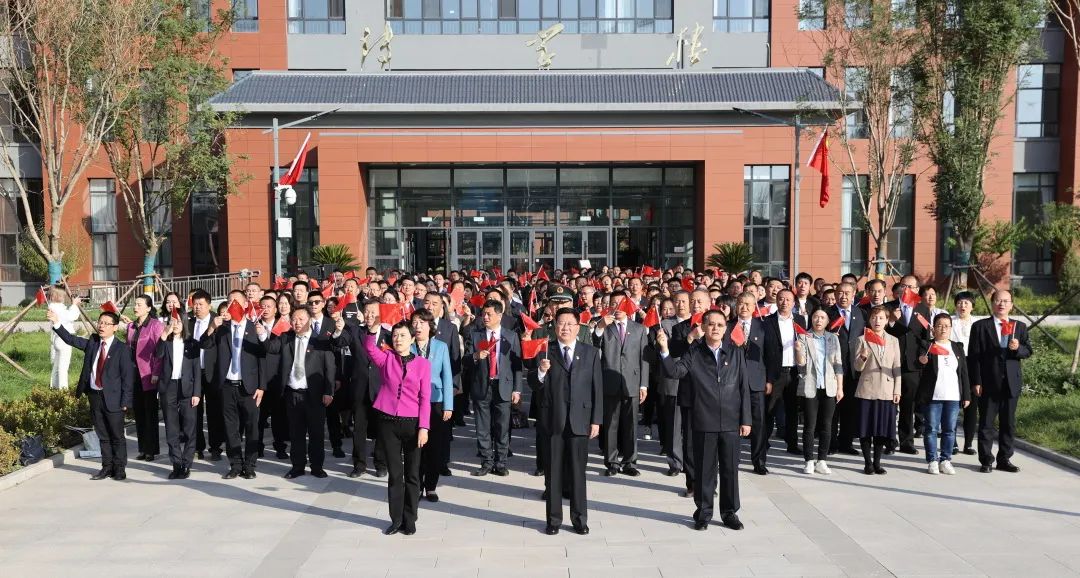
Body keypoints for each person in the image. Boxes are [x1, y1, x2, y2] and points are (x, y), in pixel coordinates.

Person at [656, 310, 751, 531]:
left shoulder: (735, 353)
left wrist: (746, 419)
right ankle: (703, 513)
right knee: (704, 471)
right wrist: (664, 350)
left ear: (725, 329)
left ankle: (729, 513)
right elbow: (674, 372)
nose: (715, 328)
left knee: (730, 470)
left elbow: (743, 387)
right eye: (711, 324)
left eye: (720, 325)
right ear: (704, 327)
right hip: (704, 419)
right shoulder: (695, 352)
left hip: (730, 421)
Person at [530, 308, 603, 536]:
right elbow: (533, 383)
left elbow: (597, 389)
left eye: (570, 324)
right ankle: (554, 520)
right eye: (561, 323)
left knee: (578, 473)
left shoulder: (590, 353)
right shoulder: (545, 350)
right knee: (553, 473)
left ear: (578, 327)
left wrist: (596, 420)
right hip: (553, 421)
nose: (565, 328)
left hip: (580, 420)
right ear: (555, 326)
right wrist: (541, 372)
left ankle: (579, 519)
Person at [361, 317, 431, 536]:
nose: (398, 339)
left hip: (412, 424)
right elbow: (369, 348)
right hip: (388, 421)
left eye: (403, 335)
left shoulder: (423, 364)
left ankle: (410, 518)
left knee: (412, 474)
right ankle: (396, 519)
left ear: (412, 339)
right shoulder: (387, 359)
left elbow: (425, 398)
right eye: (395, 335)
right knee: (395, 473)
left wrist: (424, 427)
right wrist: (373, 328)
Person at [48, 308, 135, 480]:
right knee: (102, 435)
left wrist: (126, 401)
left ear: (115, 327)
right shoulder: (93, 343)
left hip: (114, 399)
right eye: (100, 322)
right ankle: (106, 467)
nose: (101, 326)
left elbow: (128, 378)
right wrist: (56, 322)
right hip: (95, 396)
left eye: (106, 324)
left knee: (116, 436)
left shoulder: (122, 349)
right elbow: (70, 339)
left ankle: (119, 468)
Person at [200, 289, 266, 479]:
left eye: (236, 301)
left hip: (250, 387)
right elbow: (204, 344)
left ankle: (250, 465)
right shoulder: (222, 328)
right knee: (231, 428)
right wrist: (212, 327)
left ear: (245, 304)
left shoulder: (255, 327)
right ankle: (235, 465)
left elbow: (262, 358)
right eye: (229, 301)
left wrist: (262, 386)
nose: (232, 304)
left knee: (252, 427)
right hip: (227, 386)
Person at [263, 305, 336, 478]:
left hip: (315, 394)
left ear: (309, 320)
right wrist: (261, 335)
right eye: (294, 319)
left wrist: (329, 391)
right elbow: (270, 348)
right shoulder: (286, 338)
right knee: (296, 433)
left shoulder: (320, 341)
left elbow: (330, 368)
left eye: (301, 319)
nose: (297, 323)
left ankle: (317, 466)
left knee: (316, 433)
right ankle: (297, 466)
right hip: (292, 393)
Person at [968, 290, 1031, 473]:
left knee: (1008, 423)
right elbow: (974, 356)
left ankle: (1004, 459)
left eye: (1005, 301)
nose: (1001, 304)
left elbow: (1028, 350)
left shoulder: (1019, 326)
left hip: (1011, 383)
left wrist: (1017, 348)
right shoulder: (980, 326)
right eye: (998, 300)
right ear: (992, 303)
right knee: (986, 423)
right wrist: (976, 381)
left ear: (1011, 305)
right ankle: (986, 460)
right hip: (988, 382)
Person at [593, 292, 649, 477]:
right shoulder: (604, 327)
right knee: (611, 425)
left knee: (631, 424)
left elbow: (644, 359)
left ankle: (630, 462)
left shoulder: (639, 329)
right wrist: (600, 327)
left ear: (628, 305)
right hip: (609, 382)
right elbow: (594, 346)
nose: (616, 307)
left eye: (620, 303)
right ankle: (612, 462)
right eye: (613, 303)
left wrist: (643, 384)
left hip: (632, 382)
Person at [466, 299, 523, 477]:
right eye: (484, 314)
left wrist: (517, 389)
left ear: (499, 315)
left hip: (503, 385)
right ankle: (486, 462)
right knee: (482, 428)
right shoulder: (476, 335)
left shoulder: (510, 336)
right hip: (482, 386)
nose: (485, 317)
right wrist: (476, 356)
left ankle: (501, 463)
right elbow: (465, 360)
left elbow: (517, 365)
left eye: (489, 314)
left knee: (502, 427)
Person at [335, 299, 389, 478]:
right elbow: (340, 342)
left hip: (382, 389)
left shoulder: (389, 335)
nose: (369, 315)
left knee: (382, 429)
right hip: (359, 388)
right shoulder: (355, 331)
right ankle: (359, 465)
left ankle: (381, 463)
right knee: (359, 429)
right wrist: (338, 330)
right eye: (367, 311)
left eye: (373, 312)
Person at [915, 314, 971, 475]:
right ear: (933, 328)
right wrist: (921, 361)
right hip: (933, 395)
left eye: (946, 325)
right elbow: (917, 364)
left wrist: (966, 395)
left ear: (951, 328)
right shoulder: (927, 345)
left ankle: (945, 460)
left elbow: (964, 373)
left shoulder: (957, 347)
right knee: (931, 429)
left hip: (953, 395)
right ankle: (932, 460)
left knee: (950, 430)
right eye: (939, 325)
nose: (943, 329)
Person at [410, 309, 454, 502]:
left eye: (422, 322)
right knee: (415, 446)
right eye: (415, 322)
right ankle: (416, 485)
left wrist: (448, 405)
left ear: (430, 326)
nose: (418, 326)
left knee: (434, 446)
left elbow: (447, 376)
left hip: (435, 400)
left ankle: (431, 486)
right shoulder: (407, 346)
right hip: (412, 401)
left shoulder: (440, 346)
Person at [885, 275, 932, 455]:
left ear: (917, 290)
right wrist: (891, 320)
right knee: (889, 405)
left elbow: (926, 338)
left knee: (908, 405)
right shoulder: (889, 307)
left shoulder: (923, 309)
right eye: (903, 286)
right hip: (890, 363)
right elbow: (880, 333)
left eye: (910, 287)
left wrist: (923, 355)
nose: (906, 290)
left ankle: (906, 441)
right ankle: (889, 441)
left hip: (912, 365)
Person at [853, 306, 902, 475]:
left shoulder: (893, 340)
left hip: (887, 390)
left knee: (881, 429)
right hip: (867, 389)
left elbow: (897, 367)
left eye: (881, 318)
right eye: (874, 318)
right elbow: (857, 367)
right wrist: (863, 356)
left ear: (887, 320)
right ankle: (867, 463)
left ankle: (877, 463)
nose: (877, 321)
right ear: (869, 320)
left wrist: (897, 390)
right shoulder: (862, 339)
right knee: (866, 429)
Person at [795, 309, 843, 474]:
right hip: (811, 385)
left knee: (827, 425)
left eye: (822, 317)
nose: (818, 320)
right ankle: (809, 460)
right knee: (810, 425)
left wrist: (840, 387)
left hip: (829, 386)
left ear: (827, 321)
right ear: (811, 319)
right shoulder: (803, 337)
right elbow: (801, 366)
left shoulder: (833, 338)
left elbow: (838, 364)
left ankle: (822, 460)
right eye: (815, 317)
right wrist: (798, 351)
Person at [155, 312, 202, 479]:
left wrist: (197, 393)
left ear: (184, 324)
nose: (175, 325)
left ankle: (187, 464)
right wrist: (163, 335)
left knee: (190, 428)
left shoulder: (192, 343)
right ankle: (176, 464)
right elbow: (157, 355)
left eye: (178, 322)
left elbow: (197, 369)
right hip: (169, 387)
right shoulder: (165, 342)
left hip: (187, 388)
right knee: (171, 428)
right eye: (172, 322)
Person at [762, 289, 807, 461]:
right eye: (781, 299)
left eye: (788, 299)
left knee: (792, 410)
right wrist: (767, 378)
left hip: (794, 372)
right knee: (769, 409)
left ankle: (792, 443)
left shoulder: (800, 320)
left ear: (794, 303)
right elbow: (764, 353)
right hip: (775, 373)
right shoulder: (767, 321)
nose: (784, 302)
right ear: (776, 301)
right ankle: (763, 443)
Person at [730, 291, 771, 475]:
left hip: (757, 382)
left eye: (748, 304)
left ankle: (759, 461)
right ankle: (732, 459)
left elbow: (770, 354)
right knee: (732, 422)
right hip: (732, 382)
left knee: (759, 423)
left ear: (754, 306)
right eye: (741, 303)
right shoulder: (728, 326)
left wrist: (769, 380)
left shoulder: (763, 326)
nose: (744, 307)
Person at [121, 295, 164, 461]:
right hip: (133, 375)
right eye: (135, 304)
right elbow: (128, 349)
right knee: (138, 413)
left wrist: (156, 372)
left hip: (149, 375)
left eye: (139, 304)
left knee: (150, 413)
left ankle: (151, 450)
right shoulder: (131, 326)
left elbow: (160, 352)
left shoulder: (155, 325)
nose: (135, 307)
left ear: (148, 308)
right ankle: (142, 449)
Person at [829, 282, 866, 455]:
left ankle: (846, 442)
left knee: (850, 409)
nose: (843, 296)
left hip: (854, 368)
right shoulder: (827, 313)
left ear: (853, 295)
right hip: (833, 368)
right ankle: (831, 443)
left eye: (847, 293)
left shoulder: (861, 313)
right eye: (840, 293)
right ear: (835, 294)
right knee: (832, 409)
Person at [189, 290, 223, 461]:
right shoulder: (188, 322)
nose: (197, 307)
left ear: (209, 305)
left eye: (201, 304)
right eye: (195, 304)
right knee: (194, 410)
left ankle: (215, 447)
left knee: (214, 411)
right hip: (194, 372)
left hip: (213, 372)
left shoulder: (218, 322)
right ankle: (198, 447)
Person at [950, 291, 977, 455]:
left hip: (972, 365)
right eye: (960, 302)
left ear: (972, 306)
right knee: (953, 405)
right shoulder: (949, 322)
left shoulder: (978, 324)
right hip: (953, 365)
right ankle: (952, 442)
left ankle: (968, 443)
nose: (963, 306)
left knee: (971, 407)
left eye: (966, 303)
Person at [47, 286, 81, 390]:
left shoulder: (53, 307)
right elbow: (71, 316)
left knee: (57, 367)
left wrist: (73, 305)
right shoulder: (58, 308)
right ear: (58, 296)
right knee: (63, 368)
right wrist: (74, 305)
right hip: (64, 340)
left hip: (58, 339)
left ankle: (54, 387)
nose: (64, 297)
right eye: (62, 295)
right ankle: (63, 390)